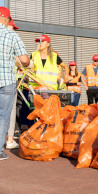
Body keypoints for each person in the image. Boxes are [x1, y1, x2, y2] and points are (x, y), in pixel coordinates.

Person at [0, 7, 30, 160]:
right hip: (6, 81)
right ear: (5, 19)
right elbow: (25, 60)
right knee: (3, 116)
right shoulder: (12, 35)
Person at [5, 18, 21, 149]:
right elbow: (20, 59)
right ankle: (10, 139)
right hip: (8, 80)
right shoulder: (11, 38)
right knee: (10, 110)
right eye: (13, 27)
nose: (14, 30)